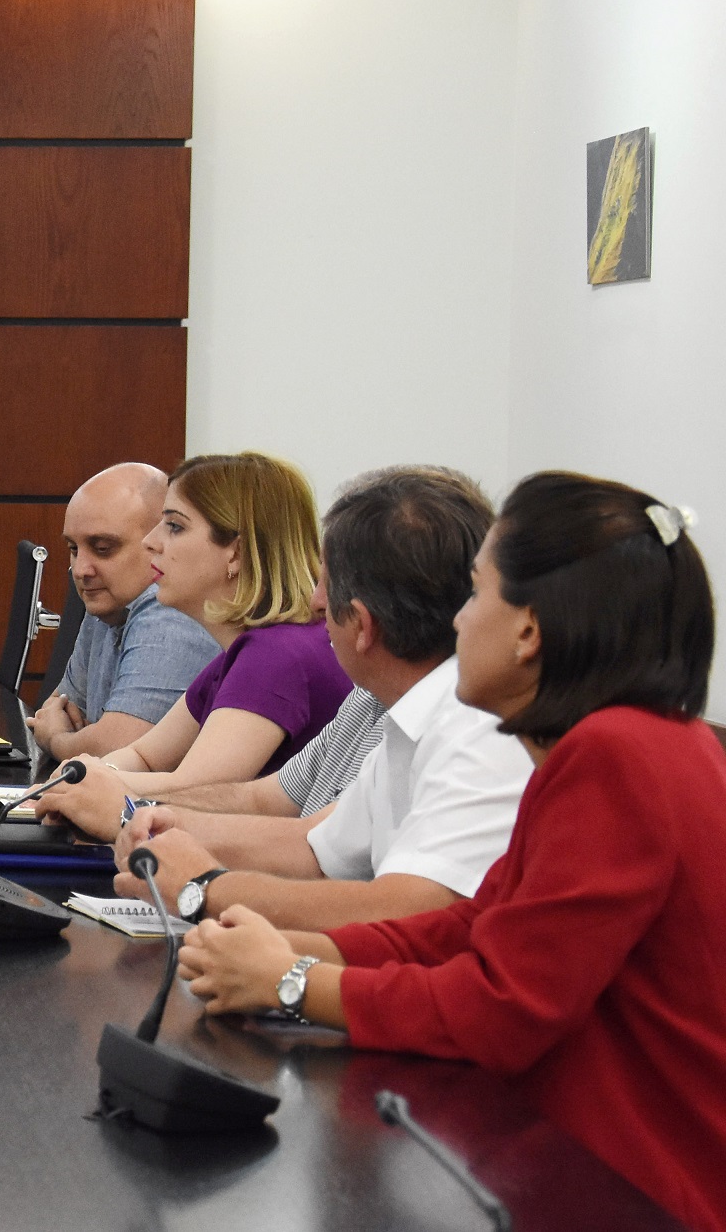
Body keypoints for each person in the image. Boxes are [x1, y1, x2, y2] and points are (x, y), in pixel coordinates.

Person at [178, 472, 726, 1232]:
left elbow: (504, 1007)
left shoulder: (614, 755)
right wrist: (294, 950)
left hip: (633, 1192)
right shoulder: (637, 741)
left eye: (476, 594)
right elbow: (472, 928)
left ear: (528, 631)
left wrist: (293, 981)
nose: (459, 619)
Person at [115, 467, 530, 930]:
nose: (314, 603)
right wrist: (168, 825)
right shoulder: (394, 705)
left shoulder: (478, 728)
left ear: (363, 625)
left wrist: (205, 888)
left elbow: (416, 910)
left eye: (324, 584)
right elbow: (318, 848)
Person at [36, 452, 352, 837]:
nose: (151, 542)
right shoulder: (247, 649)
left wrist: (85, 781)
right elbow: (145, 756)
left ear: (236, 551)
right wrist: (85, 777)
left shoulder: (277, 655)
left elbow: (194, 791)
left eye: (174, 526)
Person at [28, 462, 221, 760]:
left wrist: (57, 740)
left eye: (103, 548)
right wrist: (78, 736)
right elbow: (55, 711)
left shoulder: (170, 610)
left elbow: (118, 750)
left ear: (158, 542)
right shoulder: (108, 601)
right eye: (74, 549)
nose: (80, 570)